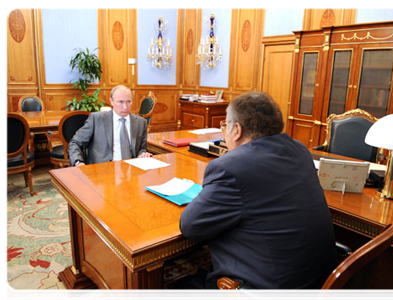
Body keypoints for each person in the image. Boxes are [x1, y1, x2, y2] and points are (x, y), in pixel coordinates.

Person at [173, 91, 337, 300]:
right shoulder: (300, 151)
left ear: (237, 130)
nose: (225, 132)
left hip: (270, 293)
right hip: (320, 286)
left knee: (181, 289)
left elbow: (190, 226)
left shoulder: (229, 167)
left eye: (225, 125)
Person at [68, 85, 152, 166]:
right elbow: (75, 142)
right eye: (120, 102)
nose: (125, 107)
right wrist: (79, 163)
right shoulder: (96, 119)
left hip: (132, 171)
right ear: (111, 101)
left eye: (128, 102)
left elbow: (142, 148)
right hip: (101, 171)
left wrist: (142, 155)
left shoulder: (141, 122)